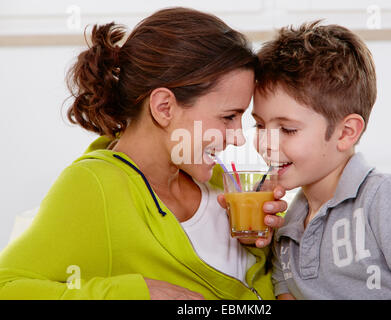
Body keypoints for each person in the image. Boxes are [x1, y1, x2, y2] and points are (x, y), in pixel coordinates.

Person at [0, 7, 287, 300]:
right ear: (164, 107)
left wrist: (257, 245)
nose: (239, 138)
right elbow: (8, 288)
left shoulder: (216, 180)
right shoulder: (95, 186)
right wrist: (136, 293)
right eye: (228, 117)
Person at [251, 21, 391, 299]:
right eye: (259, 126)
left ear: (345, 133)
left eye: (288, 129)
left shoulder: (387, 199)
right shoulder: (285, 228)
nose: (265, 143)